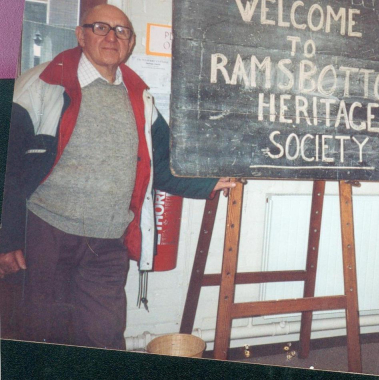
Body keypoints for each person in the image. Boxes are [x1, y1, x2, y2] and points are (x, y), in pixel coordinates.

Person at [0, 4, 235, 349]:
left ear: (131, 42)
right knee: (41, 335)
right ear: (80, 35)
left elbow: (165, 167)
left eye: (121, 31)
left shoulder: (141, 98)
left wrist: (212, 182)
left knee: (105, 338)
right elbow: (8, 167)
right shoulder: (40, 84)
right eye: (100, 28)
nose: (111, 36)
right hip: (46, 235)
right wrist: (7, 239)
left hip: (108, 243)